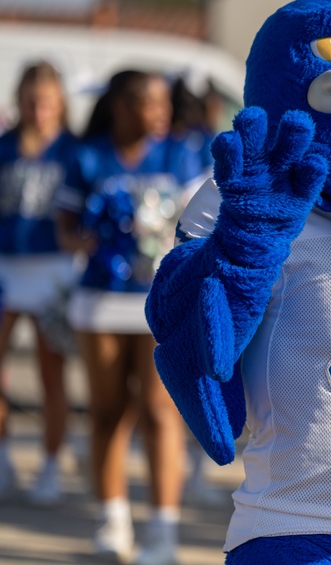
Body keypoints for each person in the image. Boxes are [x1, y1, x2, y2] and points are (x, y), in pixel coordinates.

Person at [54, 69, 205, 565]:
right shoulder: (87, 156)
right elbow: (65, 228)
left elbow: (198, 224)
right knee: (107, 411)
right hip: (101, 300)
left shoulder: (179, 153)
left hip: (159, 300)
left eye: (166, 104)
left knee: (161, 412)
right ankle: (112, 519)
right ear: (121, 106)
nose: (163, 113)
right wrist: (91, 243)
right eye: (151, 104)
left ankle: (162, 531)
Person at [0, 61, 80, 505]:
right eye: (31, 100)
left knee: (53, 374)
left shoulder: (74, 150)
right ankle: (3, 458)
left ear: (60, 102)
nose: (38, 109)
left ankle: (50, 464)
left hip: (53, 270)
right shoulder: (4, 147)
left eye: (46, 101)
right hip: (6, 266)